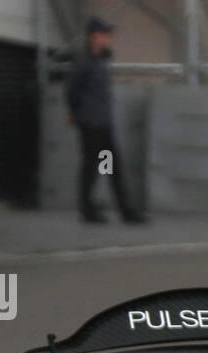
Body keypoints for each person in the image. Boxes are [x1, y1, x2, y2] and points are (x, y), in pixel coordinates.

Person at [67, 17, 145, 223]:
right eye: (104, 34)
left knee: (111, 166)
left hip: (103, 124)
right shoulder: (84, 62)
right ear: (94, 37)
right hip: (90, 124)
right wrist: (76, 114)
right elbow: (72, 91)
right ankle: (87, 210)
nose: (108, 38)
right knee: (91, 167)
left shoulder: (102, 59)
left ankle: (124, 211)